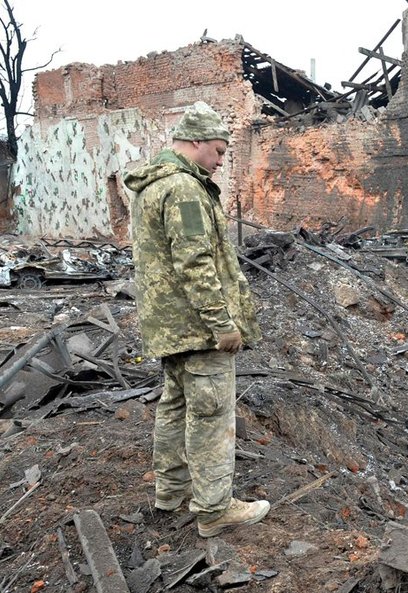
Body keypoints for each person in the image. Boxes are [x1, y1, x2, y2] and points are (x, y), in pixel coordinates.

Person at [124, 101, 269, 538]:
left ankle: (170, 493)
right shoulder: (185, 190)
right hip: (197, 329)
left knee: (175, 406)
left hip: (169, 328)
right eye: (219, 152)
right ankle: (214, 509)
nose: (222, 161)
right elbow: (194, 260)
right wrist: (222, 322)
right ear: (195, 142)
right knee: (211, 413)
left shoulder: (153, 185)